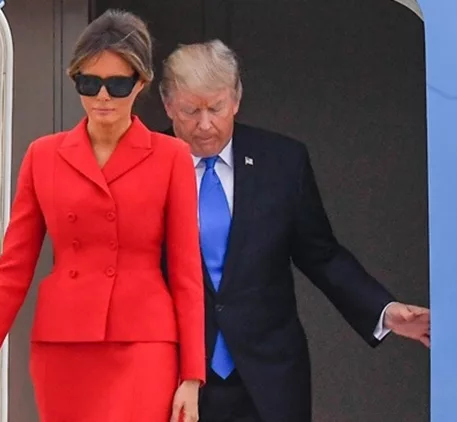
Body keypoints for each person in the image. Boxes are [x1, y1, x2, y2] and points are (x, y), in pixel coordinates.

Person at [0, 9, 206, 422]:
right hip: (63, 344)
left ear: (140, 84)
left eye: (117, 85)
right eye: (90, 83)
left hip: (145, 343)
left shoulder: (171, 156)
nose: (103, 97)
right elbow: (14, 266)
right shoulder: (43, 156)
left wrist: (192, 376)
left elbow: (186, 273)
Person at [157, 39, 431, 422]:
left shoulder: (282, 162)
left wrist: (384, 310)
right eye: (190, 110)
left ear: (236, 99)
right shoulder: (143, 166)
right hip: (175, 379)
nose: (205, 124)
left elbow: (321, 254)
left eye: (216, 108)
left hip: (269, 377)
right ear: (168, 105)